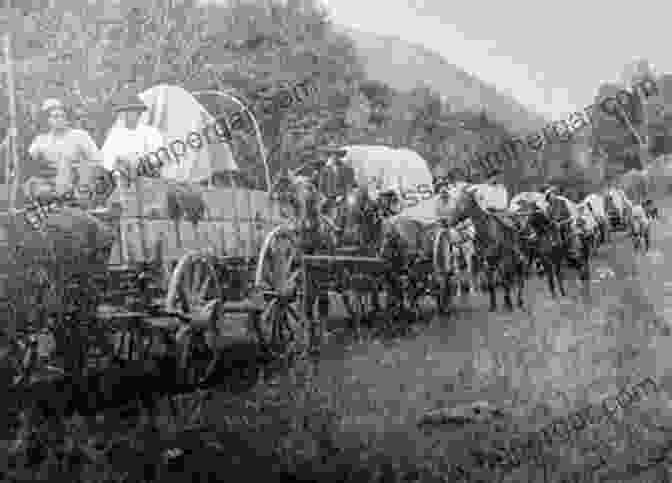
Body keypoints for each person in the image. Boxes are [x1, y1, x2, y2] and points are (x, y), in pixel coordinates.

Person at [26, 98, 102, 199]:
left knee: (66, 165)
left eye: (63, 116)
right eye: (55, 116)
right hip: (50, 181)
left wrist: (81, 169)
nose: (60, 119)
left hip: (77, 180)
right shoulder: (41, 140)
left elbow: (96, 159)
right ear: (48, 120)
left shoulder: (80, 136)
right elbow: (28, 160)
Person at [101, 92, 164, 183]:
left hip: (145, 176)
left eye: (131, 112)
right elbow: (106, 157)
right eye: (125, 112)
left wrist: (137, 160)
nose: (127, 116)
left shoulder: (150, 132)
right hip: (120, 176)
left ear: (139, 114)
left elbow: (157, 157)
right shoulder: (116, 133)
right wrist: (115, 168)